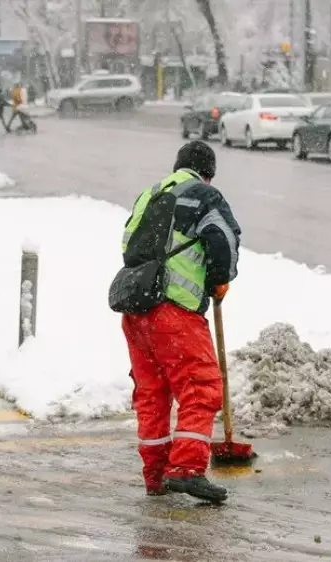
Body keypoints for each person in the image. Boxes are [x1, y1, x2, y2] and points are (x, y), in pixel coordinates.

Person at [119, 140, 241, 502]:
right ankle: (186, 469)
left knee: (153, 394)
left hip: (136, 309)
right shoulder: (205, 195)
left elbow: (129, 244)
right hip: (174, 313)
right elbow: (224, 239)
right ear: (209, 173)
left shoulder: (149, 194)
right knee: (201, 388)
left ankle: (156, 474)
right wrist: (219, 279)